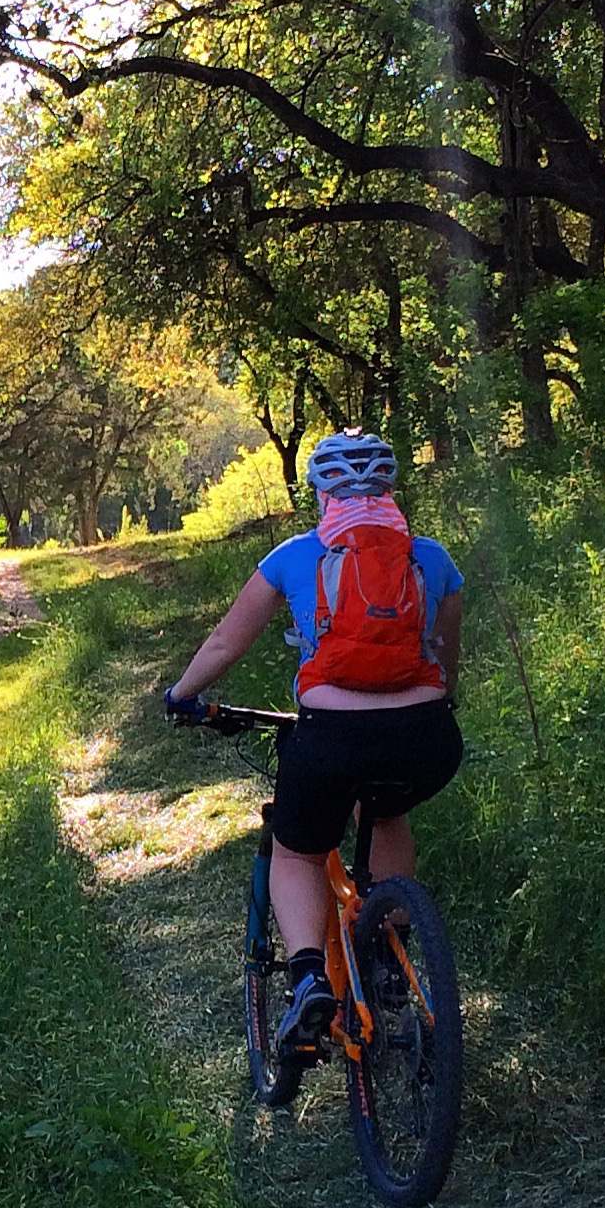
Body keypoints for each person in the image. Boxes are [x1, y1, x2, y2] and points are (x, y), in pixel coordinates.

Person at [163, 429, 464, 1058]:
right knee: (388, 810)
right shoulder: (431, 558)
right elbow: (445, 657)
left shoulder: (296, 555)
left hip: (331, 739)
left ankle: (306, 980)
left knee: (298, 852)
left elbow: (225, 644)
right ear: (389, 487)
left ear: (319, 491)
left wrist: (182, 696)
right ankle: (390, 959)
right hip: (428, 740)